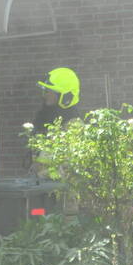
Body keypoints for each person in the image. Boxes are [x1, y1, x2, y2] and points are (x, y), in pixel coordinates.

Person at [28, 67, 82, 213]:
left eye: (49, 91)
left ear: (64, 96)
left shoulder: (73, 125)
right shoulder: (44, 120)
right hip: (41, 196)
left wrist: (41, 176)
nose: (44, 95)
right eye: (44, 90)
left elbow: (69, 166)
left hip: (62, 202)